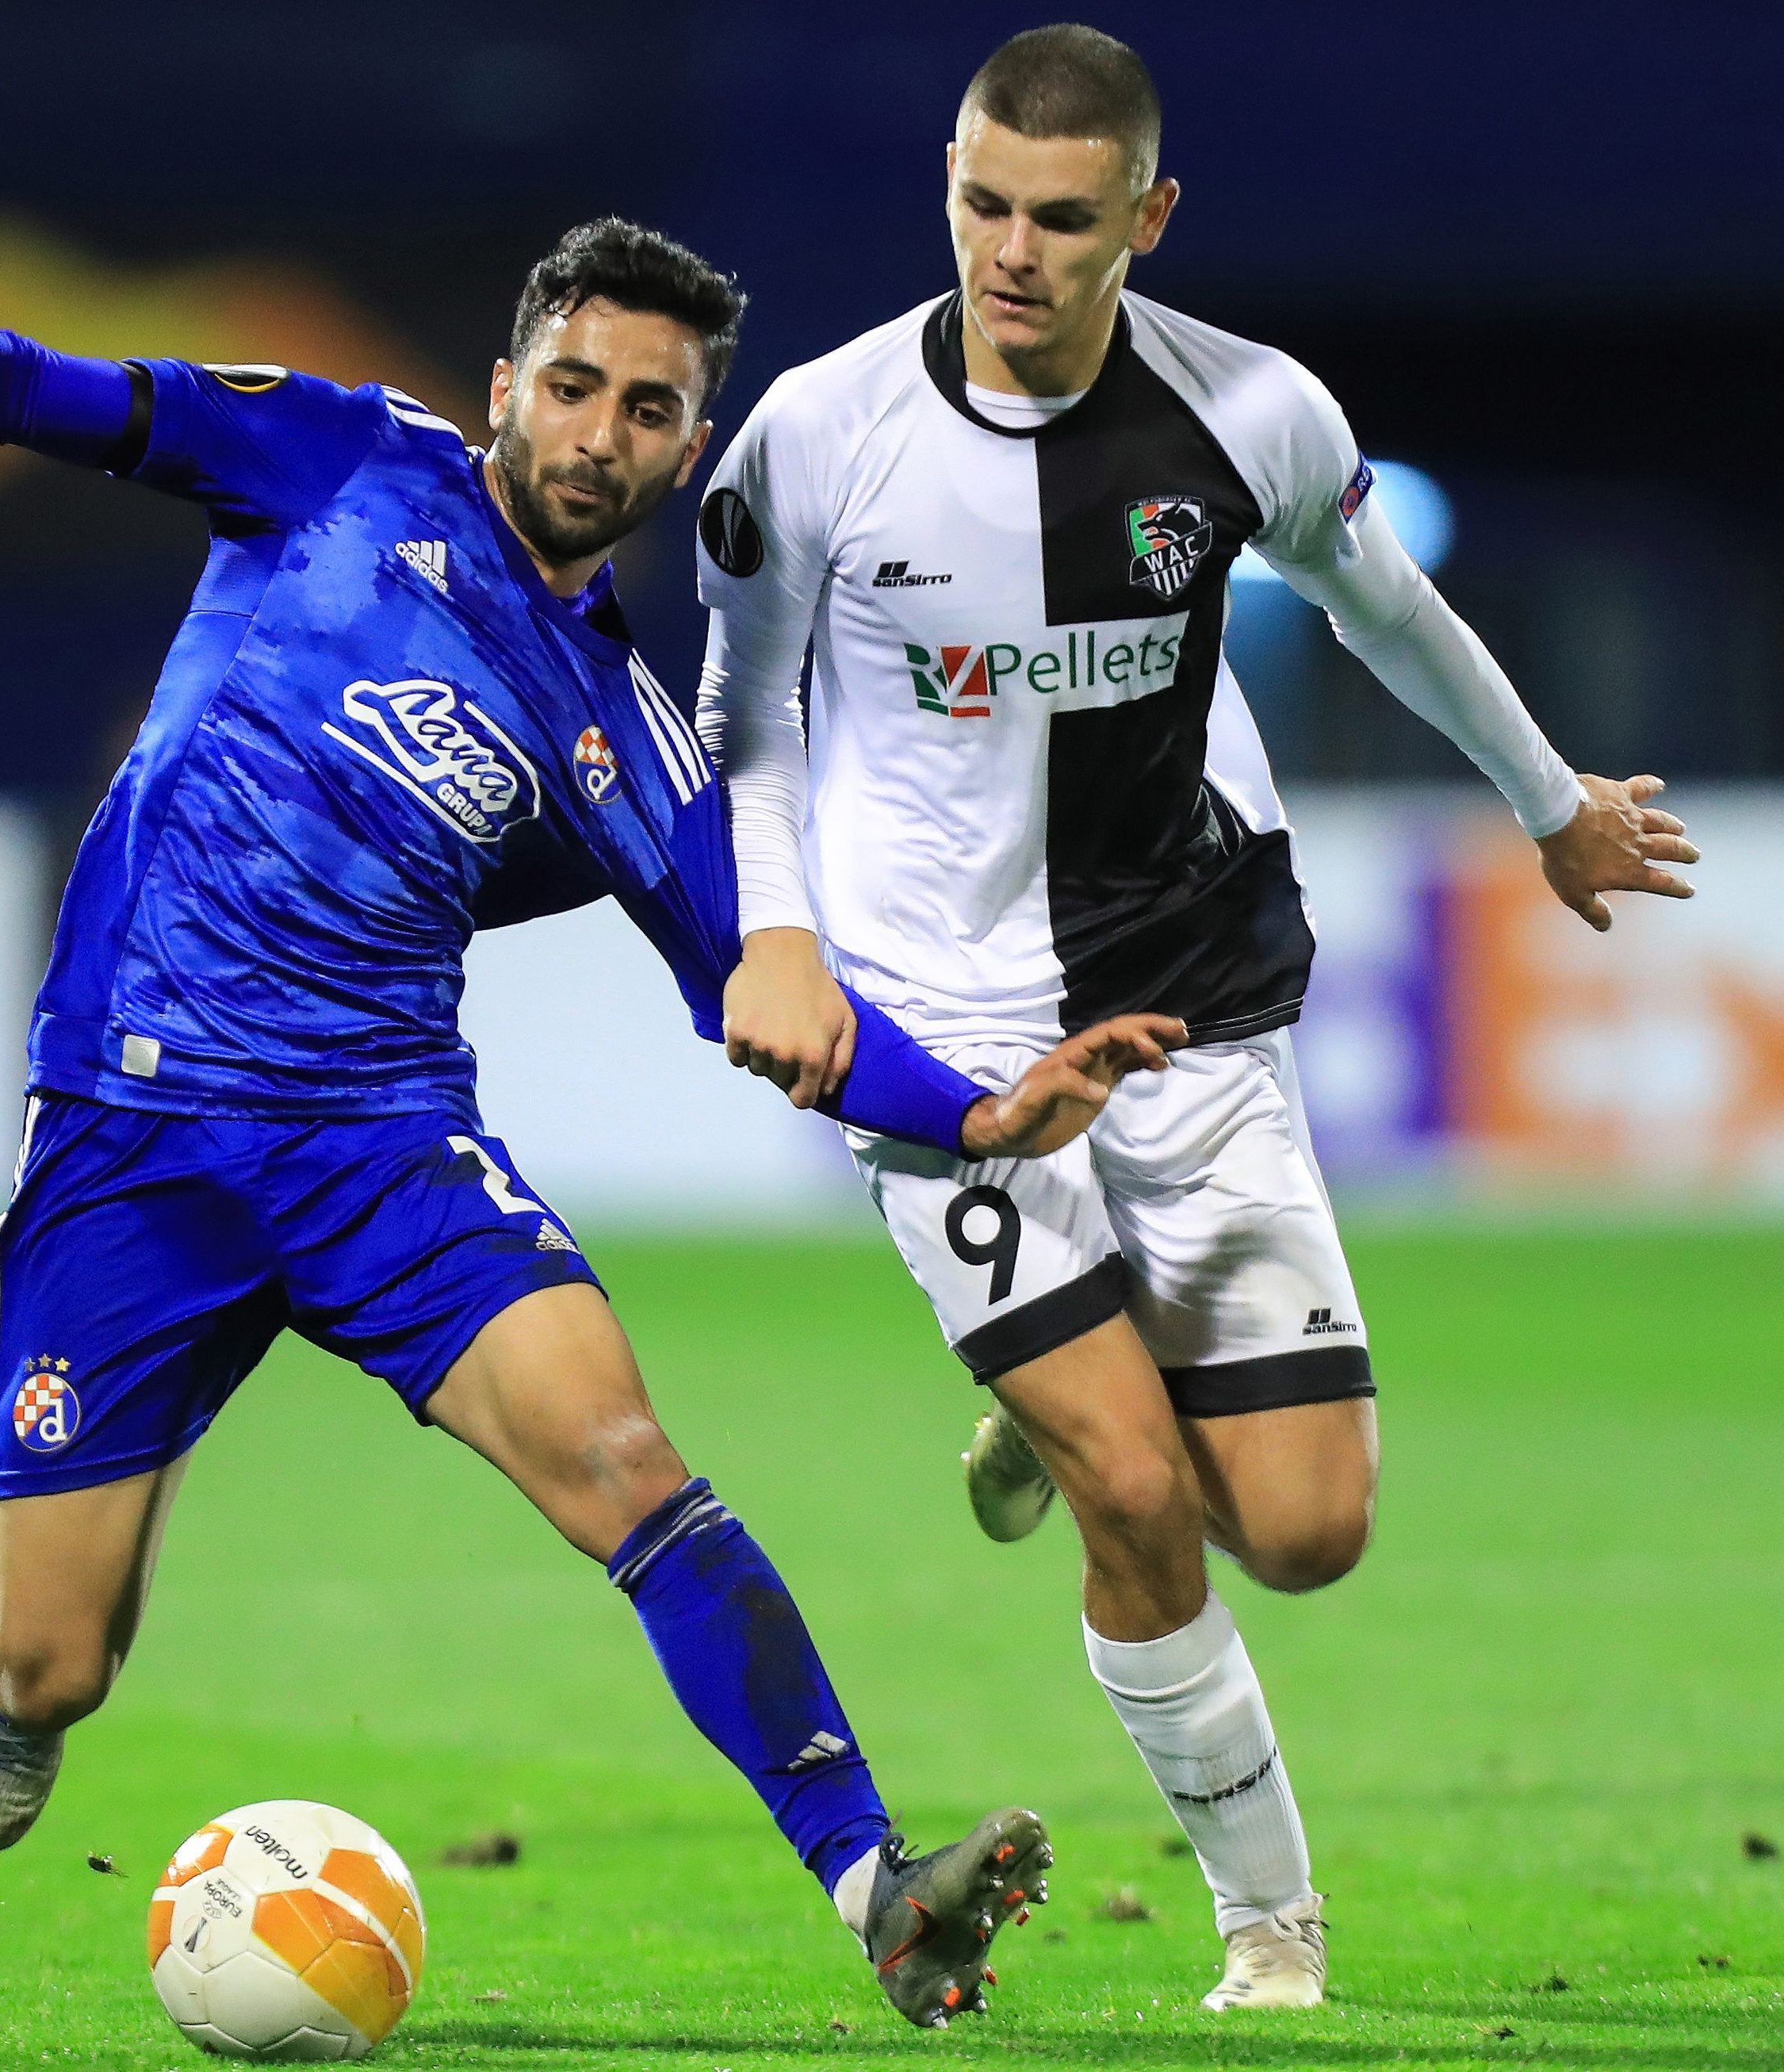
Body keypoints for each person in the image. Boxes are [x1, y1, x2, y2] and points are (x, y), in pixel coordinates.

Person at [0, 218, 1183, 2028]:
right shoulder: (337, 457)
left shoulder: (626, 733)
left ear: (682, 444)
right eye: (572, 386)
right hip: (136, 1131)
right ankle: (3, 1673)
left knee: (630, 1458)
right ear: (505, 385)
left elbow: (767, 1002)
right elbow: (38, 391)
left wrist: (979, 1106)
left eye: (648, 409)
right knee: (54, 1656)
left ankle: (875, 1883)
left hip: (380, 1143)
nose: (598, 433)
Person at [693, 24, 1701, 2011]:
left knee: (1308, 1531)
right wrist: (777, 938)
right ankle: (1267, 1923)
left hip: (1188, 997)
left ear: (1142, 220)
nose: (1009, 249)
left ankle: (1058, 1396)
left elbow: (1380, 607)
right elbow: (743, 722)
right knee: (1140, 1498)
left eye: (1060, 219)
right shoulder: (811, 436)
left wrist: (1548, 803)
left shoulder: (1249, 414)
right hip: (943, 1040)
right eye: (980, 201)